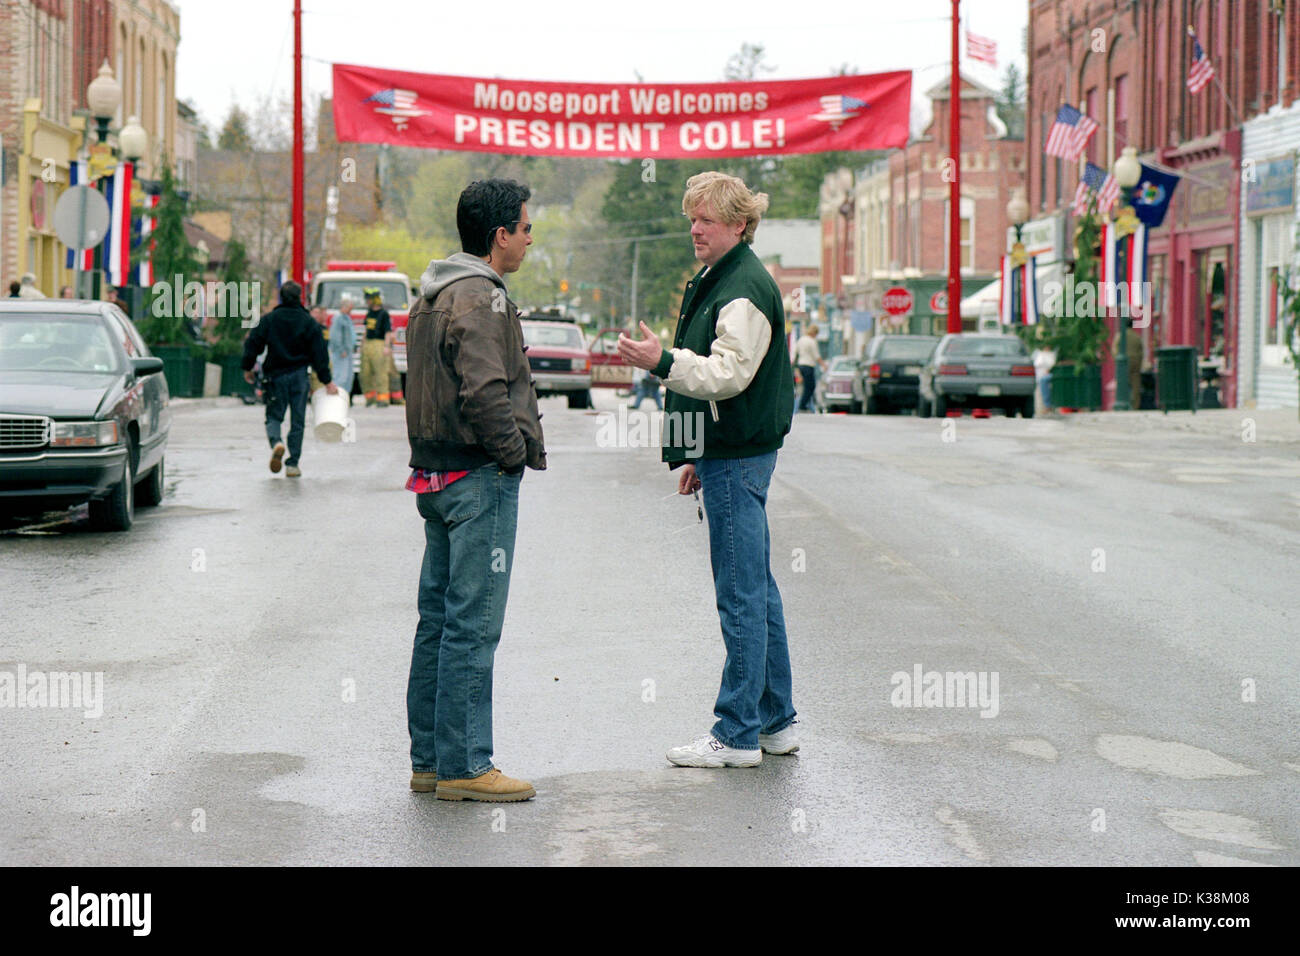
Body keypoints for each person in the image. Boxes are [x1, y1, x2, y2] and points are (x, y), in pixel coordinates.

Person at [618, 171, 797, 769]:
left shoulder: (741, 287)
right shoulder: (727, 277)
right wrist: (697, 449)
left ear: (740, 226)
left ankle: (737, 733)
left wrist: (661, 360)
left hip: (739, 454)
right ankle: (773, 724)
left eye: (708, 220)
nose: (695, 228)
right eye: (692, 217)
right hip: (733, 451)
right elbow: (727, 384)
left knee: (741, 594)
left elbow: (728, 375)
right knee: (757, 591)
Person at [405, 178, 545, 802]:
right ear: (499, 237)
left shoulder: (433, 292)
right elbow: (486, 392)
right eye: (525, 226)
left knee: (437, 622)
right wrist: (511, 456)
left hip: (434, 475)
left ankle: (432, 761)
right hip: (476, 477)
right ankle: (466, 767)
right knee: (472, 625)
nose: (529, 236)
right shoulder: (482, 297)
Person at [240, 281, 336, 478]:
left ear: (281, 297)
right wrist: (327, 380)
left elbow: (253, 343)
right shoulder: (309, 322)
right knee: (298, 420)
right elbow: (319, 353)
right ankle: (293, 464)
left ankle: (277, 442)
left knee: (274, 416)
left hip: (275, 375)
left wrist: (247, 367)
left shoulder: (269, 320)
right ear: (300, 297)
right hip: (300, 376)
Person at [360, 287, 394, 406]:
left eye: (369, 299)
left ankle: (383, 398)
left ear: (375, 299)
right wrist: (362, 344)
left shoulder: (383, 314)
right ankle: (370, 398)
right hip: (368, 344)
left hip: (379, 344)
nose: (367, 301)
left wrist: (386, 346)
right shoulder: (369, 313)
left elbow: (388, 332)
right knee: (365, 372)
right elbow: (366, 329)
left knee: (381, 372)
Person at [329, 295, 358, 400]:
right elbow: (335, 336)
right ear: (345, 306)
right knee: (340, 376)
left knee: (348, 377)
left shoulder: (347, 318)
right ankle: (337, 398)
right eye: (350, 307)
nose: (351, 309)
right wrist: (341, 349)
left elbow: (350, 334)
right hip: (341, 353)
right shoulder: (338, 318)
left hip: (348, 352)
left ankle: (345, 397)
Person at [793, 323, 825, 412]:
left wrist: (796, 368)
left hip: (800, 365)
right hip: (808, 366)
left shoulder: (801, 340)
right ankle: (802, 405)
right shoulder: (812, 341)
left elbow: (796, 354)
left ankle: (803, 404)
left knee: (803, 386)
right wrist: (823, 365)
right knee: (810, 386)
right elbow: (816, 356)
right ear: (814, 333)